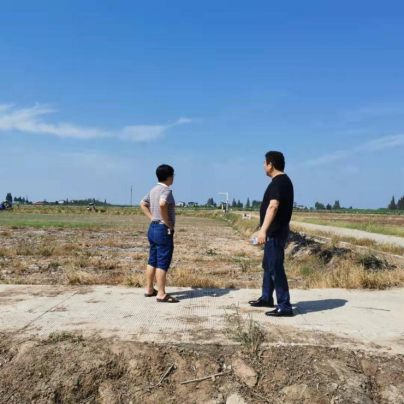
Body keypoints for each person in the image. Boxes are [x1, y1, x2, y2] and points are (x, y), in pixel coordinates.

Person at [249, 151, 294, 317]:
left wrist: (263, 230)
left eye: (264, 163)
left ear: (270, 165)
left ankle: (284, 305)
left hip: (275, 232)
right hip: (276, 231)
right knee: (268, 265)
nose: (263, 166)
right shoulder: (283, 181)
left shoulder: (278, 182)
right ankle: (266, 297)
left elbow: (273, 206)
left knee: (276, 267)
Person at [140, 164, 179, 303]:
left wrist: (152, 218)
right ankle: (161, 293)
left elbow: (143, 203)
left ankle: (149, 289)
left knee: (153, 259)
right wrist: (167, 222)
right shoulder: (166, 190)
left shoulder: (153, 189)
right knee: (162, 262)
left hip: (153, 228)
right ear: (169, 177)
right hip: (163, 229)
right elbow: (163, 204)